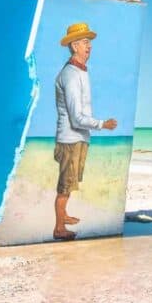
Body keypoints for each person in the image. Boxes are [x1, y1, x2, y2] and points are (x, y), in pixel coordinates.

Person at [52, 22, 117, 240]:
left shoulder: (80, 71)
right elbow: (76, 117)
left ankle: (64, 216)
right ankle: (59, 227)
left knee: (70, 183)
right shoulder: (70, 75)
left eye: (89, 42)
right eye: (85, 42)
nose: (89, 46)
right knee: (64, 185)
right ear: (74, 46)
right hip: (70, 139)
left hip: (78, 138)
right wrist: (102, 124)